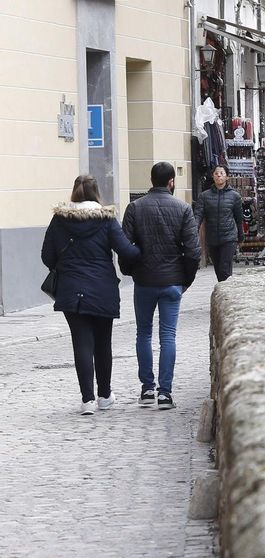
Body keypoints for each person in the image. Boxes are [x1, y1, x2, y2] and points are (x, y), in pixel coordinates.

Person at [40, 175, 140, 416]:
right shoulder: (106, 219)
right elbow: (126, 251)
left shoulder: (59, 220)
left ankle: (87, 401)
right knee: (103, 343)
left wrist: (65, 266)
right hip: (102, 289)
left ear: (73, 193)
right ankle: (104, 396)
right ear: (97, 194)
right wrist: (142, 251)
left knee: (81, 343)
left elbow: (47, 256)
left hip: (70, 289)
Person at [121, 161, 200, 411]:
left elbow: (125, 247)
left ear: (151, 179)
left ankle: (147, 389)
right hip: (172, 281)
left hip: (144, 280)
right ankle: (165, 393)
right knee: (168, 336)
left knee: (143, 334)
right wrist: (186, 279)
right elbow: (193, 251)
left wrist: (130, 271)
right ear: (171, 182)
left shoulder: (135, 208)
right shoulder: (183, 208)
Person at [197, 165, 244, 283]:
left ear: (227, 177)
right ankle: (225, 291)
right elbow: (198, 215)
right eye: (216, 173)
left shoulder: (234, 196)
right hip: (212, 237)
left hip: (229, 237)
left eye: (222, 173)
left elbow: (239, 217)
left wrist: (240, 235)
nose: (219, 175)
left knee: (224, 268)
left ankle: (227, 294)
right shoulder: (204, 196)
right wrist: (193, 230)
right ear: (212, 176)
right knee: (218, 269)